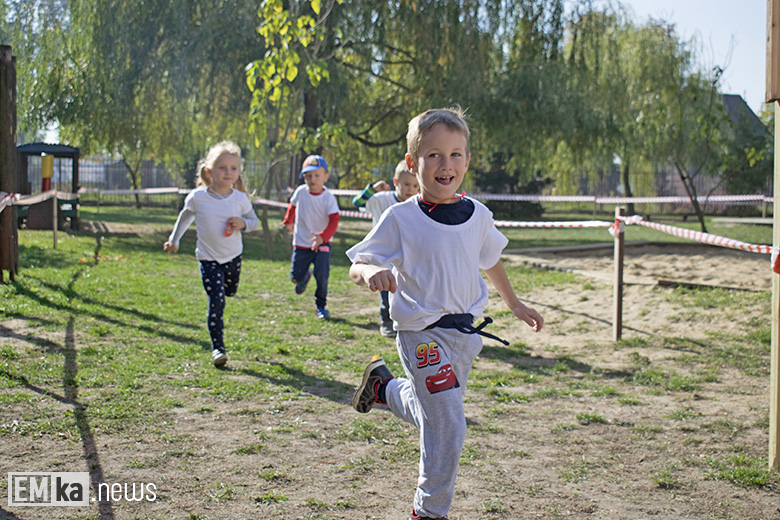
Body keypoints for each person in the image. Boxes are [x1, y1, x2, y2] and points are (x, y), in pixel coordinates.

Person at [346, 108, 543, 520]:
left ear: (467, 161)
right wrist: (371, 271)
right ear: (412, 164)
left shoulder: (479, 215)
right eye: (433, 155)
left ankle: (382, 388)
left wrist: (515, 304)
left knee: (433, 414)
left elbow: (490, 261)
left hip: (466, 336)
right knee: (450, 426)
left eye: (455, 154)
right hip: (421, 333)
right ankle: (429, 511)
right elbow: (357, 263)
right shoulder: (400, 217)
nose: (446, 164)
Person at [164, 141, 258, 368]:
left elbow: (254, 222)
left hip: (233, 257)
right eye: (222, 167)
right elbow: (185, 217)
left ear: (239, 173)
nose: (228, 172)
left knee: (230, 291)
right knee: (216, 301)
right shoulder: (198, 198)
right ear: (209, 170)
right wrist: (174, 240)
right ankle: (218, 348)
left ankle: (226, 295)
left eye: (233, 168)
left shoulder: (240, 199)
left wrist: (243, 223)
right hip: (208, 258)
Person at [352, 160, 419, 337]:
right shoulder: (383, 200)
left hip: (406, 254)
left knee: (404, 288)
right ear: (396, 182)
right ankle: (386, 321)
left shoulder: (417, 204)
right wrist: (372, 189)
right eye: (406, 184)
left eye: (414, 185)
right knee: (385, 288)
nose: (410, 189)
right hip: (383, 255)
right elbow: (357, 202)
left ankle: (408, 320)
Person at [282, 154, 340, 320]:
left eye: (316, 175)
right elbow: (292, 206)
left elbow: (334, 220)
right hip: (302, 242)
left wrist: (323, 237)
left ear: (325, 177)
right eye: (308, 176)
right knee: (295, 277)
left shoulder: (328, 197)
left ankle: (320, 306)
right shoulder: (301, 192)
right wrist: (288, 220)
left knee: (322, 275)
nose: (312, 179)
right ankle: (304, 276)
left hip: (322, 243)